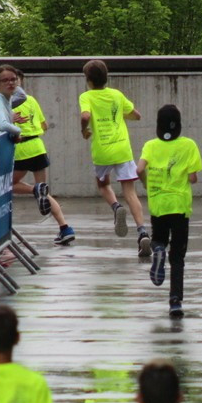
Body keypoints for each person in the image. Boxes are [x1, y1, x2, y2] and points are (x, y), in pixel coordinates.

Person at [79, 59, 150, 256]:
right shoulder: (116, 95)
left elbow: (85, 116)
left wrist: (84, 130)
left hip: (102, 150)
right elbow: (135, 115)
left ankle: (116, 207)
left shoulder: (87, 96)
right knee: (130, 191)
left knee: (103, 185)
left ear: (89, 80)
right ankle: (142, 232)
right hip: (122, 149)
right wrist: (125, 115)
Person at [138, 105, 202, 318]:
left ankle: (157, 250)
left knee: (159, 240)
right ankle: (175, 301)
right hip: (180, 206)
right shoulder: (189, 145)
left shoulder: (150, 146)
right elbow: (193, 178)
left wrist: (147, 184)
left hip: (158, 204)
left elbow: (138, 169)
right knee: (178, 256)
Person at [10, 75, 76, 245]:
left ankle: (34, 190)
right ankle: (65, 228)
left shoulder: (5, 102)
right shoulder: (31, 99)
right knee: (45, 193)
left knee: (9, 185)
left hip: (21, 148)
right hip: (38, 146)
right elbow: (44, 125)